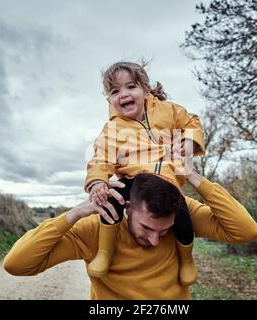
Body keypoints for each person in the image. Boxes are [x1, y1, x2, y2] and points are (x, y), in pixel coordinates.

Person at [3, 158, 257, 300]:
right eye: (147, 227)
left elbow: (245, 231)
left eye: (164, 230)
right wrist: (74, 214)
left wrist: (194, 177)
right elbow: (17, 264)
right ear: (128, 207)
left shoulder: (184, 213)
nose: (155, 240)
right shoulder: (96, 226)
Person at [84, 61, 206, 285]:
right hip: (133, 180)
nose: (123, 94)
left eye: (131, 87)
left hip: (166, 180)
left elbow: (192, 123)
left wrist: (190, 141)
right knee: (112, 199)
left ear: (146, 89)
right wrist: (98, 182)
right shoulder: (112, 129)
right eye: (115, 91)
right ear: (109, 100)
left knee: (181, 215)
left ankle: (186, 259)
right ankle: (105, 252)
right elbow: (100, 159)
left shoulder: (169, 111)